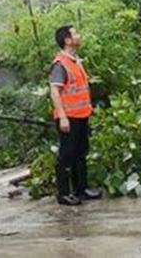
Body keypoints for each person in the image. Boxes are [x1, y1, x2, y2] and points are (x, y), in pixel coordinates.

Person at [49, 25, 102, 205]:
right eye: (75, 34)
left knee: (81, 154)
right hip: (69, 117)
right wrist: (62, 116)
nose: (78, 36)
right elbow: (55, 91)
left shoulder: (75, 62)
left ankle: (81, 189)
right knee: (67, 155)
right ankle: (63, 193)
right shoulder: (60, 64)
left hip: (81, 115)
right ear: (67, 40)